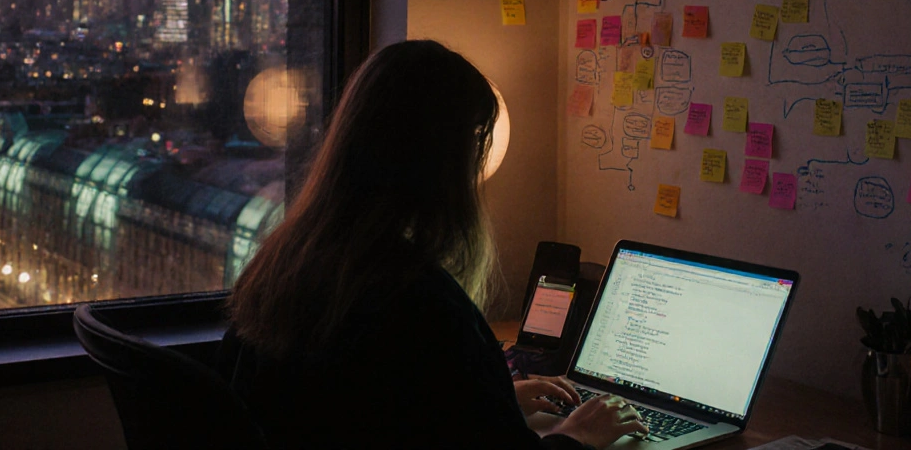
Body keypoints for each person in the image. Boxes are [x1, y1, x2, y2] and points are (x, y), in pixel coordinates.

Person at [223, 40, 647, 449]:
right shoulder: (421, 303)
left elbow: (382, 412)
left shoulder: (285, 266)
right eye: (476, 141)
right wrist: (577, 435)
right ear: (448, 160)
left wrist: (493, 403)